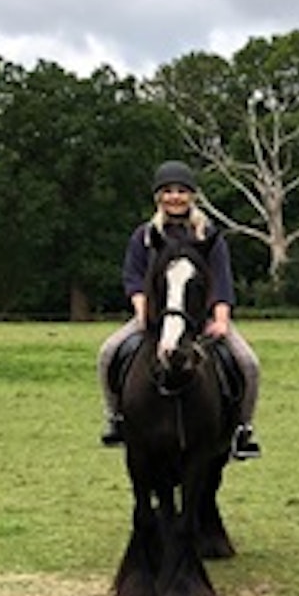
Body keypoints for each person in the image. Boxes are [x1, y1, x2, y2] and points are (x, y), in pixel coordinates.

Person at [95, 159, 263, 460]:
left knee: (249, 364)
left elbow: (222, 278)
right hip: (156, 314)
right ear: (158, 196)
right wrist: (142, 311)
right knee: (108, 352)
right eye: (168, 191)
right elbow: (133, 277)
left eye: (182, 191)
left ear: (192, 196)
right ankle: (116, 419)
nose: (175, 197)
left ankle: (242, 430)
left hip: (202, 316)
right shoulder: (144, 236)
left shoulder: (208, 235)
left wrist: (222, 319)